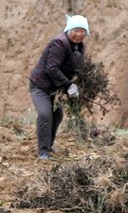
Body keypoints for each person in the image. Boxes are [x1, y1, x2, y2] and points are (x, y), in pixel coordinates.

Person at [28, 15, 89, 160]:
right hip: (41, 85)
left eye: (83, 31)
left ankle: (48, 146)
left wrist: (80, 82)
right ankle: (43, 151)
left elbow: (76, 67)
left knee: (57, 115)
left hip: (55, 88)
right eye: (76, 30)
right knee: (45, 114)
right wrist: (69, 85)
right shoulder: (59, 43)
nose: (79, 34)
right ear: (69, 29)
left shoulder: (79, 46)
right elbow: (52, 69)